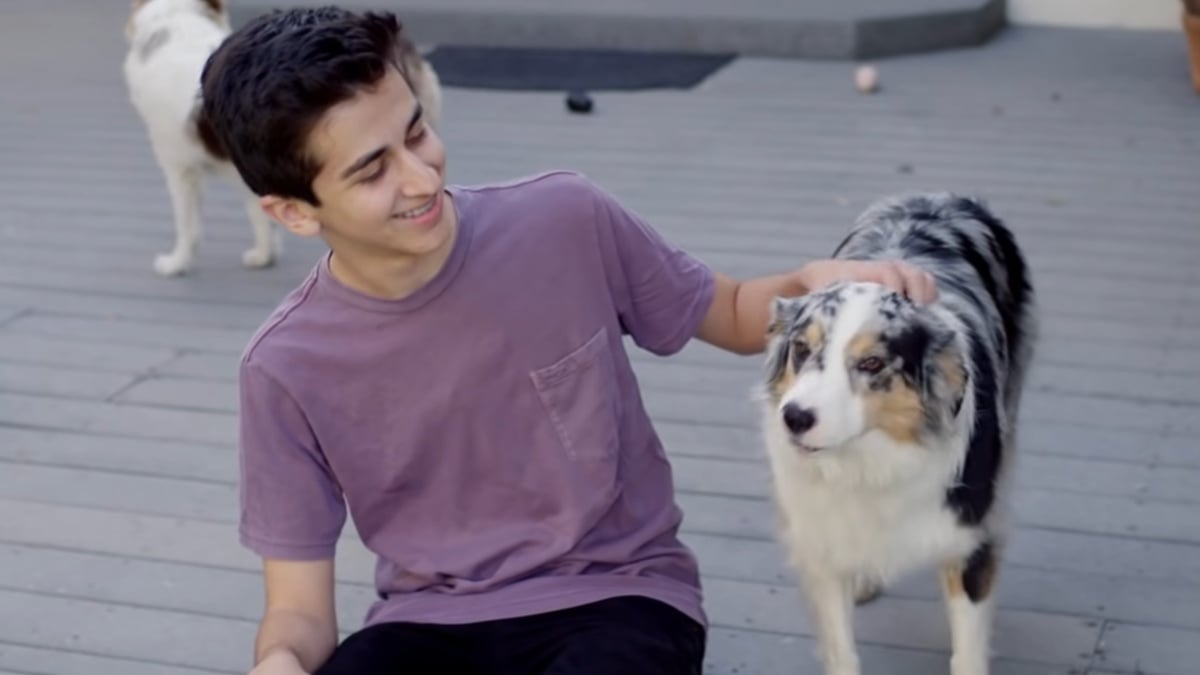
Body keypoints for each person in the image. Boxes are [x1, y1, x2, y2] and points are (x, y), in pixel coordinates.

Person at [199, 6, 937, 675]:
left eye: (417, 131)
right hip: (428, 623)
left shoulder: (565, 218)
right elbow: (296, 609)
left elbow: (734, 310)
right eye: (373, 170)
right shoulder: (284, 368)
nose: (422, 177)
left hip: (619, 593)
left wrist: (813, 280)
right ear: (294, 213)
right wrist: (281, 662)